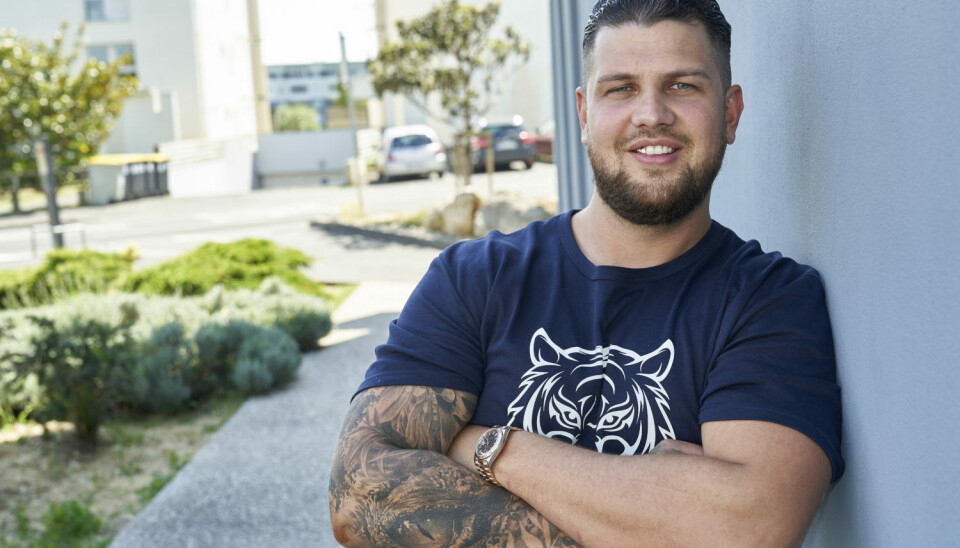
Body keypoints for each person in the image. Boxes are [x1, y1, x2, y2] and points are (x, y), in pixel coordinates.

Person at [329, 0, 844, 546]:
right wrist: (660, 518)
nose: (651, 114)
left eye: (683, 86)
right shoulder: (474, 279)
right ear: (582, 114)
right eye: (620, 88)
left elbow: (748, 529)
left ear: (731, 113)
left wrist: (491, 448)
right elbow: (357, 496)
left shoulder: (770, 300)